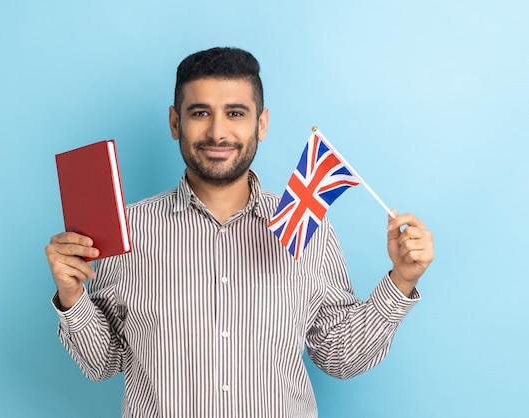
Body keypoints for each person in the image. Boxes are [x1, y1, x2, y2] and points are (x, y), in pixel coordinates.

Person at [45, 47, 434, 417]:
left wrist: (401, 280)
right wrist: (72, 294)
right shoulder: (128, 231)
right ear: (174, 122)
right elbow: (103, 362)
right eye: (200, 113)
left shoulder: (306, 225)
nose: (218, 132)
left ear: (260, 124)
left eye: (235, 113)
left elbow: (340, 356)